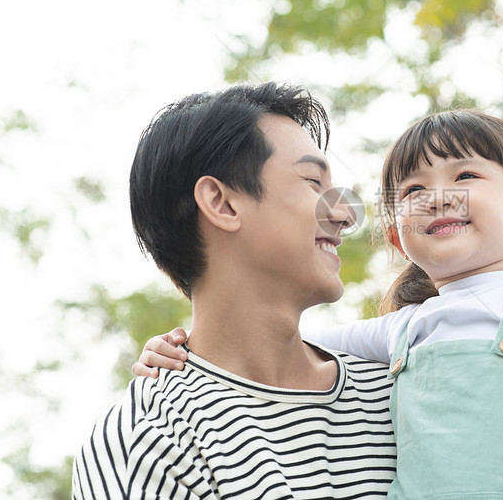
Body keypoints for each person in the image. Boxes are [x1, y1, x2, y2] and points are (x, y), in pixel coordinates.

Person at [135, 22, 503, 498]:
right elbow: (279, 341)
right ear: (398, 238)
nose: (438, 195)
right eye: (414, 191)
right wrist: (184, 346)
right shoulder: (403, 333)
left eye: (465, 175)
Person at [71, 82, 398, 499]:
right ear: (222, 204)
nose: (342, 215)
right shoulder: (149, 438)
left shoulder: (401, 392)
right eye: (314, 183)